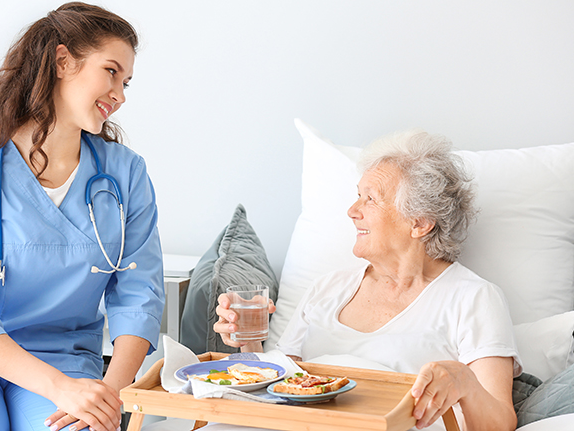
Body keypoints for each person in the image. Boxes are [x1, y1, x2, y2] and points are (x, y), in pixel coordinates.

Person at [0, 2, 165, 431]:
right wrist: (60, 388)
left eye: (127, 82)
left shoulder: (126, 174)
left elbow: (138, 296)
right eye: (112, 71)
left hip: (67, 359)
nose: (120, 94)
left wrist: (110, 395)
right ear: (63, 61)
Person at [213, 131, 520, 431]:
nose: (352, 211)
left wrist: (465, 383)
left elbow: (500, 423)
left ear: (420, 222)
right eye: (357, 196)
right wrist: (248, 339)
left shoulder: (474, 298)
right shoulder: (327, 288)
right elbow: (277, 388)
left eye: (370, 200)